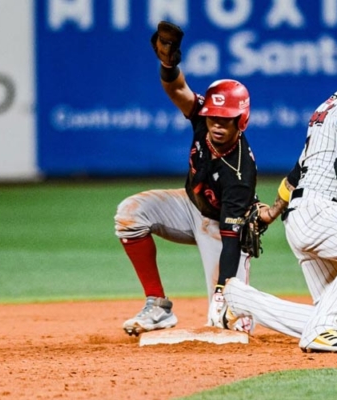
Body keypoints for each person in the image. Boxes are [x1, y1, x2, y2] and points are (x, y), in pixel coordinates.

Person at [219, 69, 337, 353]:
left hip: (303, 215)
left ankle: (240, 300)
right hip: (318, 212)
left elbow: (298, 171)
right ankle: (319, 330)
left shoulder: (333, 104)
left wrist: (274, 212)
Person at [114, 21, 256, 336]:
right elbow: (177, 89)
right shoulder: (203, 119)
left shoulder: (241, 172)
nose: (216, 125)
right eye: (213, 119)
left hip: (221, 228)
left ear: (241, 122)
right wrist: (168, 64)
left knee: (227, 322)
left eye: (226, 120)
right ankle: (157, 306)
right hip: (189, 204)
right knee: (129, 214)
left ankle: (237, 309)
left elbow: (231, 240)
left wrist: (222, 291)